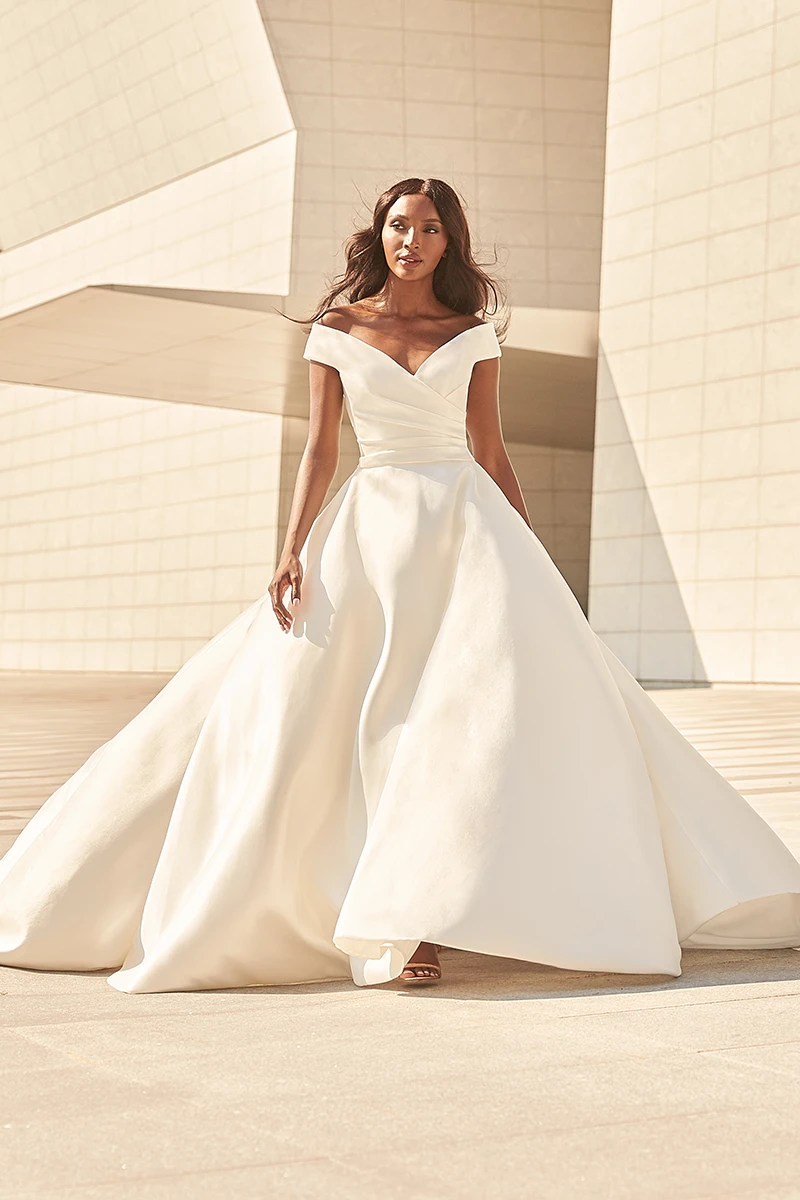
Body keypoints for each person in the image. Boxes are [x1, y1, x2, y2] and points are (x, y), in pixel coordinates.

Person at [1, 177, 799, 994]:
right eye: (396, 226)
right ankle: (378, 914)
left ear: (449, 241)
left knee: (457, 725)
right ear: (376, 236)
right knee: (335, 721)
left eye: (425, 228)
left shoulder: (474, 334)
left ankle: (420, 919)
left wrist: (531, 557)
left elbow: (490, 452)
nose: (408, 240)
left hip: (466, 531)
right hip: (370, 534)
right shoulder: (337, 329)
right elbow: (319, 451)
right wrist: (291, 549)